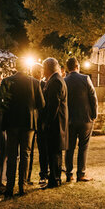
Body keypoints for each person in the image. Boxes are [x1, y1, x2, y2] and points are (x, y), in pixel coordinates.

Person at [1, 61, 44, 197]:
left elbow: (1, 101)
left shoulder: (7, 81)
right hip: (28, 123)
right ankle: (22, 186)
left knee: (12, 154)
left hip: (11, 122)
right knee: (25, 154)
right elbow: (41, 104)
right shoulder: (35, 83)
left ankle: (9, 187)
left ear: (15, 67)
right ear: (28, 68)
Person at [64, 57, 98, 182]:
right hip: (85, 118)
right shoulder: (85, 79)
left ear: (68, 67)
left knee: (70, 147)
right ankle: (81, 173)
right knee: (83, 146)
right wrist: (94, 115)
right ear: (77, 66)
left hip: (70, 120)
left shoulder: (64, 81)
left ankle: (69, 174)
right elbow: (93, 98)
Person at [41, 57, 68, 188]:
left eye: (43, 68)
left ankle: (55, 179)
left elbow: (53, 104)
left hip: (55, 123)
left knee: (54, 151)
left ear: (47, 68)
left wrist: (47, 122)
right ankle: (55, 178)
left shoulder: (55, 81)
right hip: (57, 122)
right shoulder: (55, 79)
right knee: (54, 151)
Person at [31, 63, 49, 185]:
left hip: (37, 120)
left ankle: (41, 174)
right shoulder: (36, 84)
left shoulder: (43, 85)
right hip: (35, 120)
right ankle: (40, 174)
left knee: (40, 149)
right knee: (36, 149)